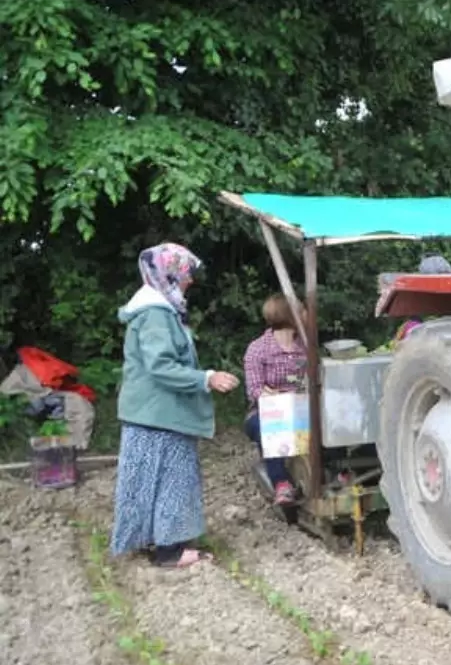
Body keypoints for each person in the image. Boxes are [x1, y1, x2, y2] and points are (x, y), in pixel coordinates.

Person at [110, 243, 239, 568]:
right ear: (168, 274)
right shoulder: (156, 315)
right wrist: (206, 378)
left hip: (149, 414)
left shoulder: (157, 311)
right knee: (173, 481)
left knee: (145, 482)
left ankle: (149, 540)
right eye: (185, 274)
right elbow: (161, 366)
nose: (190, 281)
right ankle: (171, 551)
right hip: (160, 415)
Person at [242, 293, 308, 505]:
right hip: (266, 411)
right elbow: (255, 390)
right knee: (271, 422)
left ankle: (337, 472)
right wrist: (278, 397)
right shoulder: (258, 349)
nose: (306, 314)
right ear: (291, 316)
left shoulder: (306, 347)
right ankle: (282, 483)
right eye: (302, 310)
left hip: (303, 408)